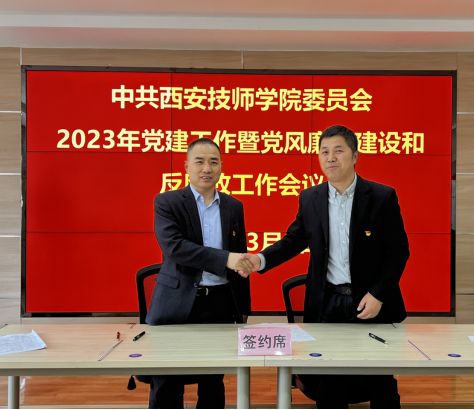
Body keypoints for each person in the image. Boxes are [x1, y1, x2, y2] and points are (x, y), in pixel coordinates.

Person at [239, 125, 410, 409]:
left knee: (379, 380)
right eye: (324, 152)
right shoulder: (311, 198)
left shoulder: (382, 197)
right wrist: (262, 259)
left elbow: (398, 252)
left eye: (338, 151)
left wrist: (378, 293)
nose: (330, 157)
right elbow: (294, 240)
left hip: (369, 302)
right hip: (327, 304)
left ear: (355, 156)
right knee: (329, 383)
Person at [146, 138, 253, 409]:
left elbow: (239, 258)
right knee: (167, 382)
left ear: (221, 167)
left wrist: (243, 307)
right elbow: (175, 248)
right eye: (200, 161)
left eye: (213, 162)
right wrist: (225, 259)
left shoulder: (234, 206)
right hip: (176, 302)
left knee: (213, 382)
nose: (207, 168)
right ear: (186, 166)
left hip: (220, 302)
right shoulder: (167, 201)